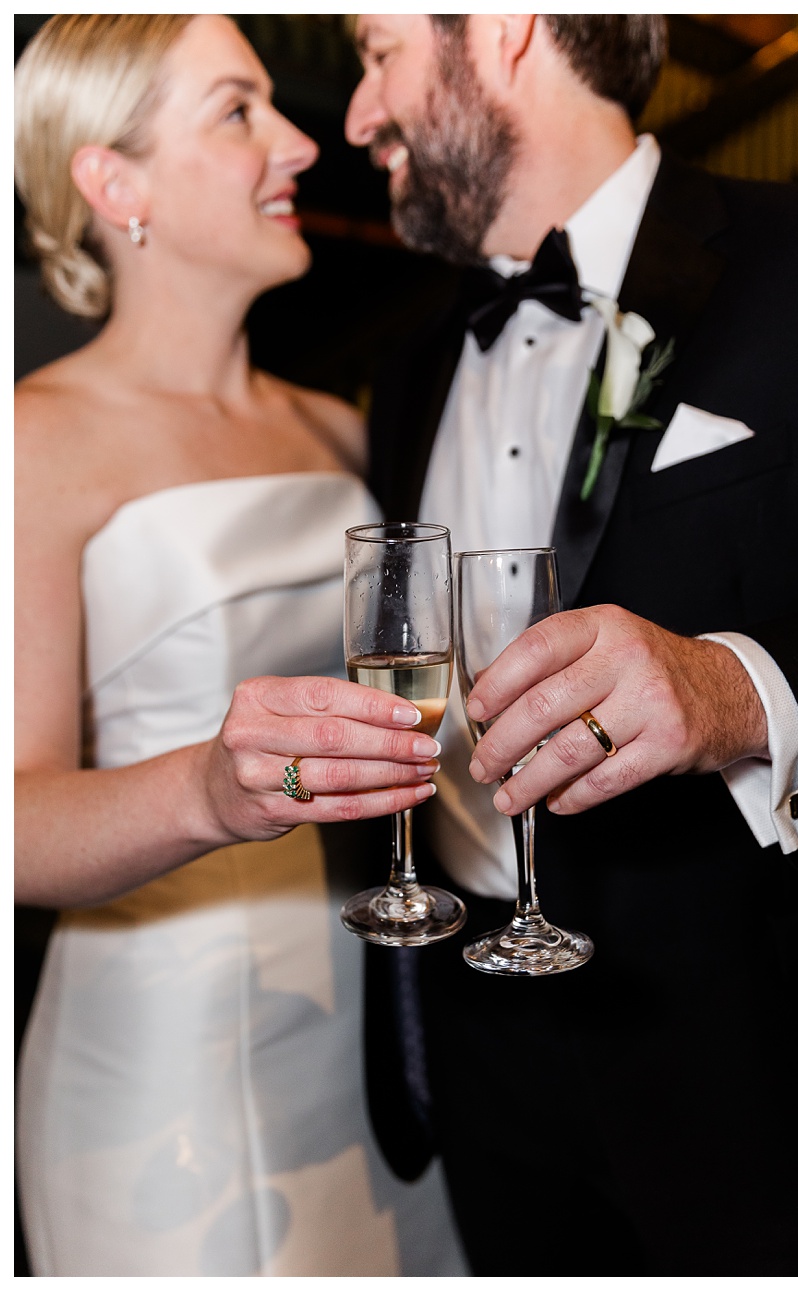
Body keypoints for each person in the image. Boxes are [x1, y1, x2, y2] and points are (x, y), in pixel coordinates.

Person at [343, 13, 798, 1276]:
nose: (358, 117)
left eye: (374, 52)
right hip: (475, 1051)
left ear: (507, 30)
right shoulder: (404, 374)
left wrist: (735, 687)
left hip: (755, 1071)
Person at [14, 14, 468, 1277]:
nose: (299, 142)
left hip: (379, 1048)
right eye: (237, 112)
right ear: (115, 182)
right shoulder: (31, 442)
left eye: (277, 104)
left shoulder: (339, 428)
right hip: (166, 1075)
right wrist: (210, 788)